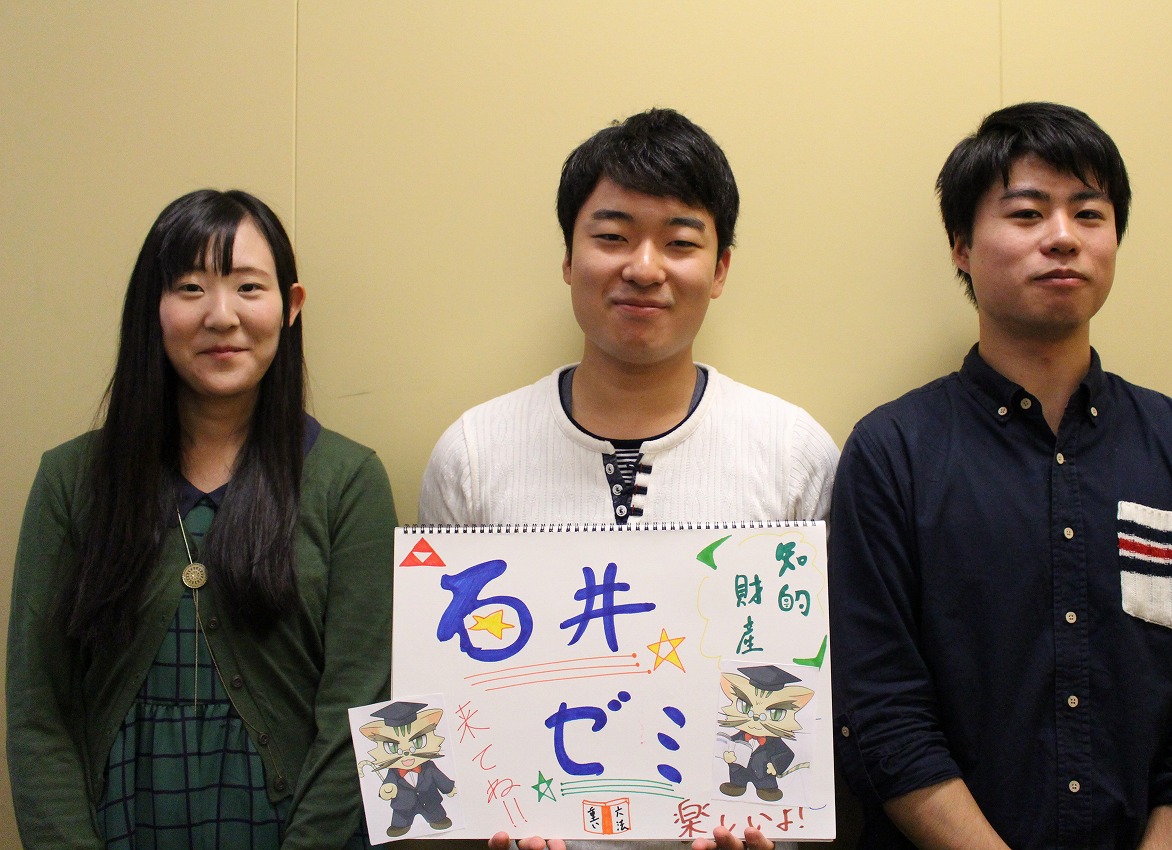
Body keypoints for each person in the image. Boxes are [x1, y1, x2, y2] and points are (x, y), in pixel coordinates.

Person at [829, 101, 1172, 850]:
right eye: (1028, 213)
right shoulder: (891, 453)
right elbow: (882, 712)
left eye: (1089, 213)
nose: (1063, 237)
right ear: (961, 247)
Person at [419, 108, 840, 850]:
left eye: (680, 242)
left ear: (721, 268)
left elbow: (832, 693)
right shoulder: (474, 454)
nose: (644, 267)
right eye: (612, 236)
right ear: (568, 257)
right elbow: (442, 706)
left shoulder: (792, 453)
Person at [7, 189, 397, 849]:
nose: (221, 315)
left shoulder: (349, 480)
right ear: (151, 308)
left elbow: (361, 712)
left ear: (291, 306)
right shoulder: (70, 480)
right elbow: (37, 712)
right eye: (191, 287)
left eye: (249, 287)